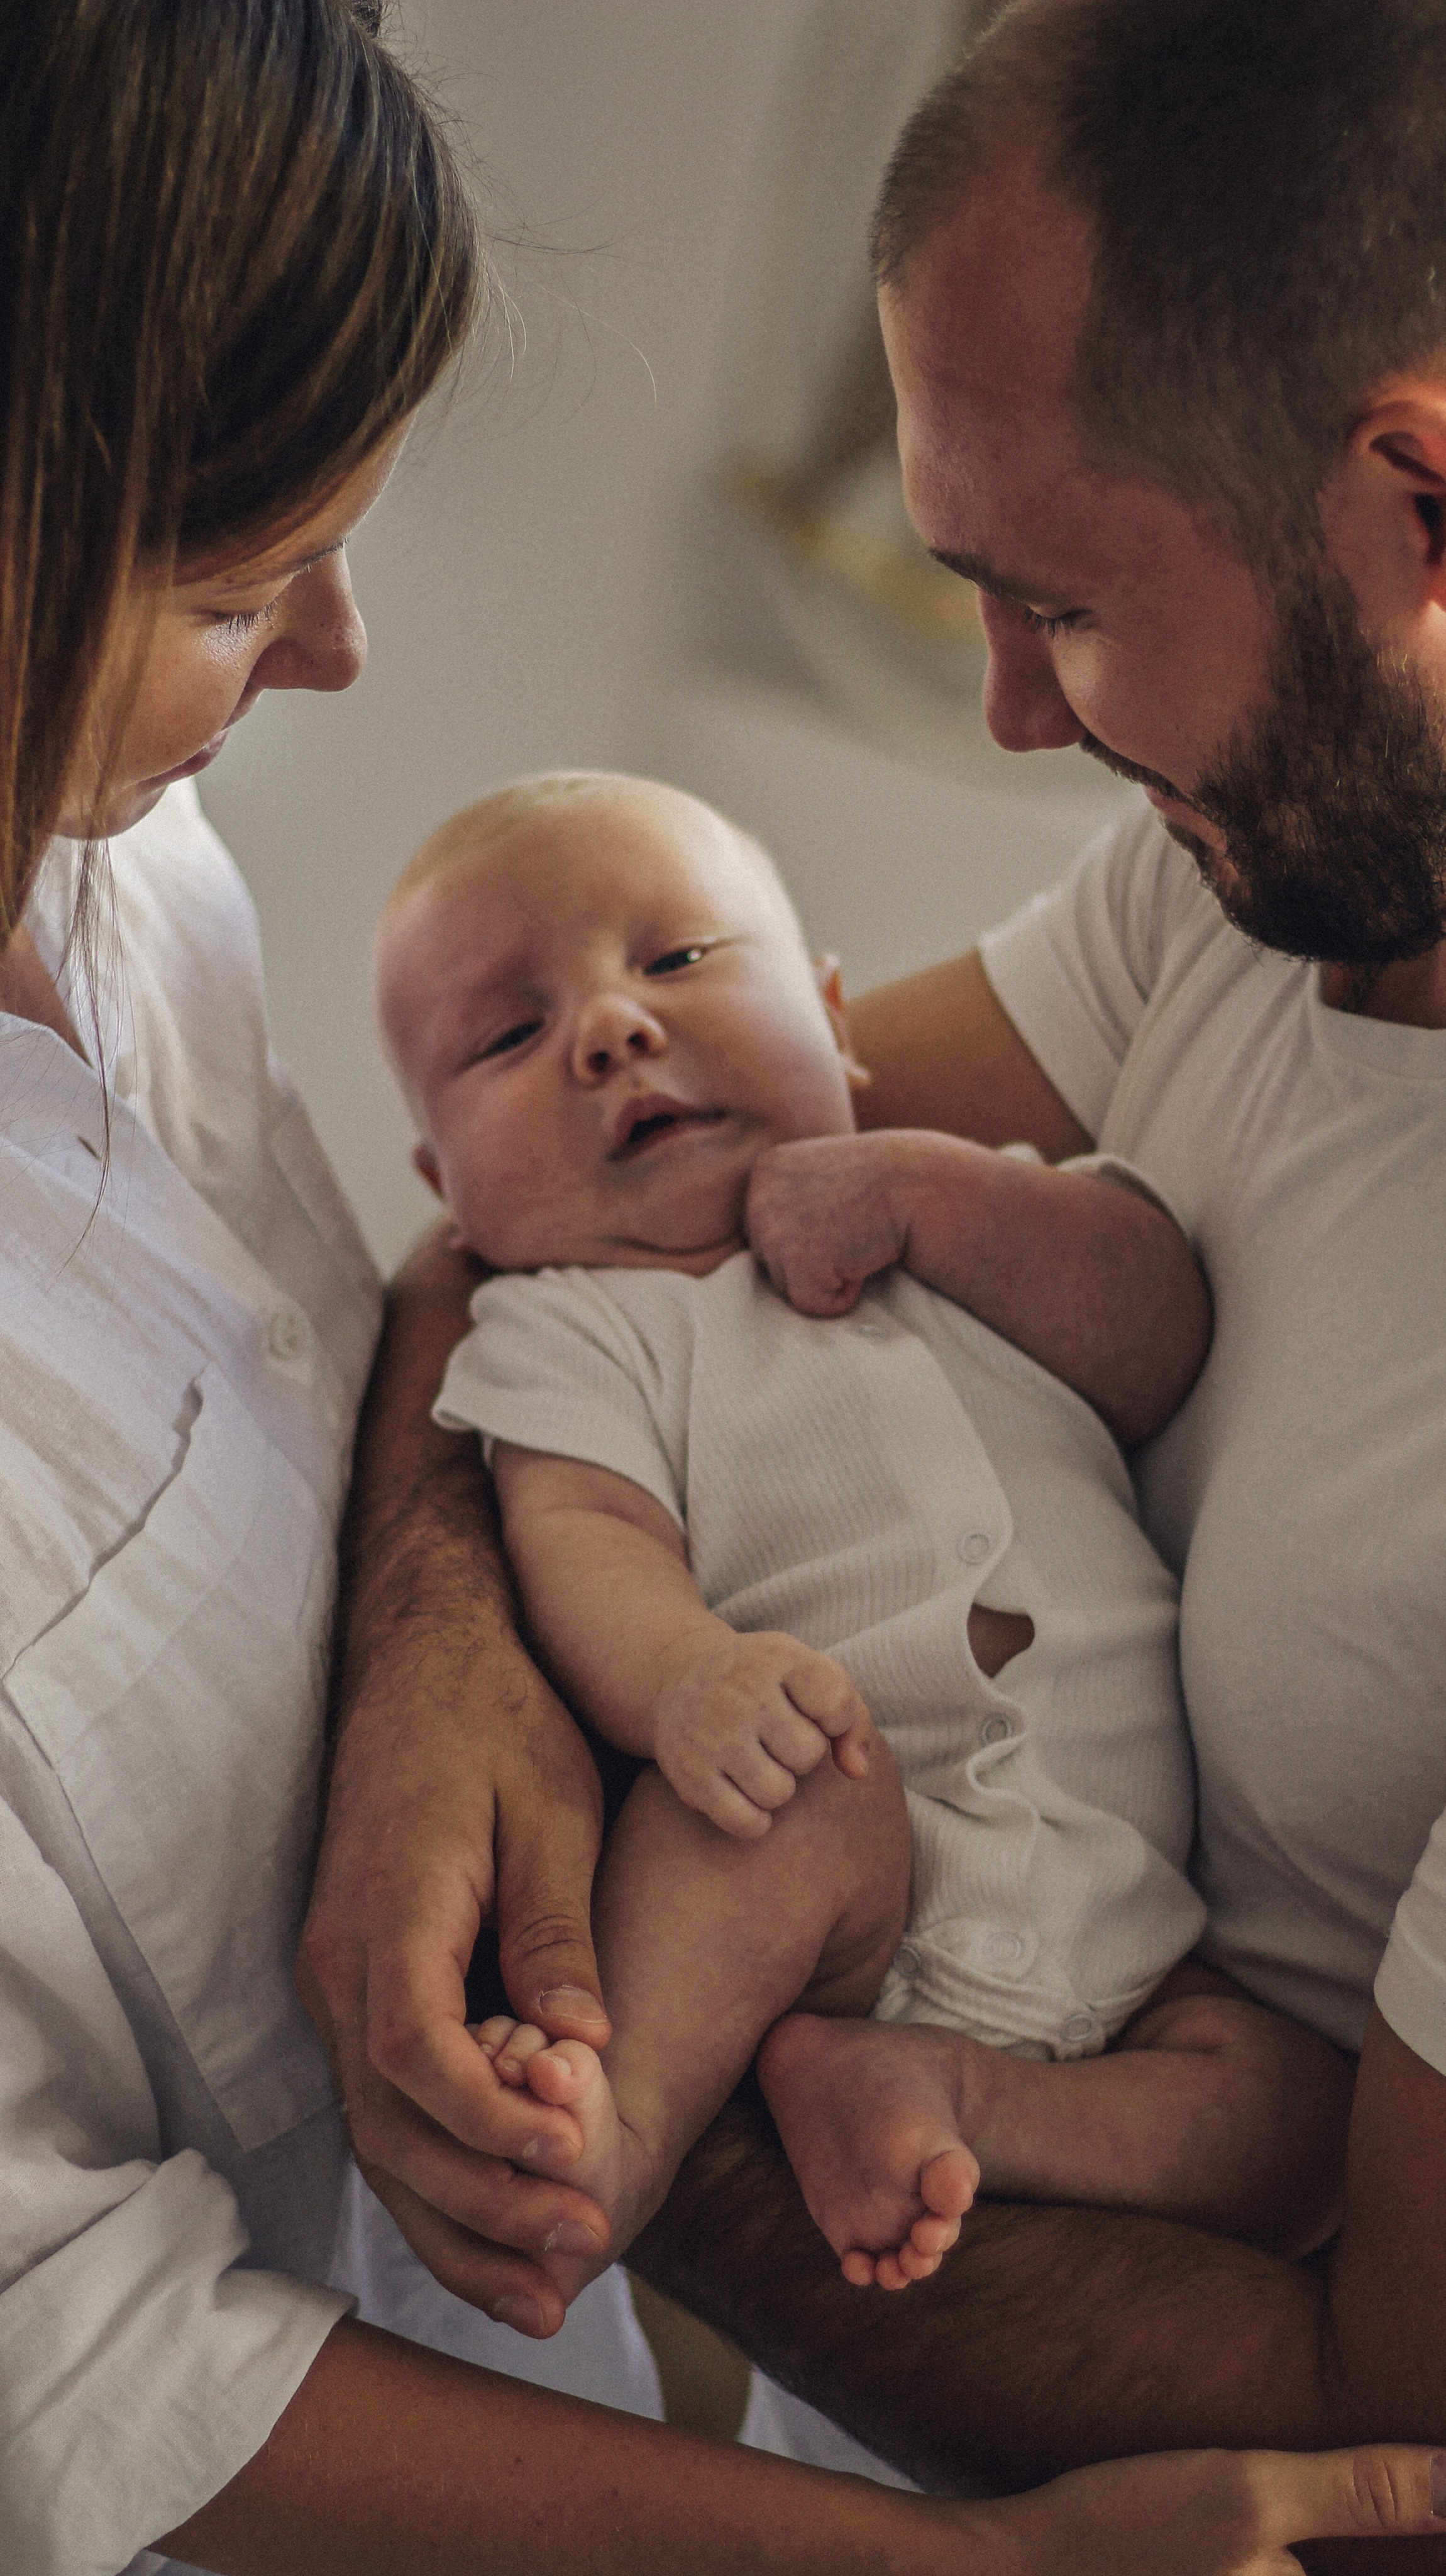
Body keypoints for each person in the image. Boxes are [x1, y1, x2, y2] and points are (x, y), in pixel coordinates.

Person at [9, 3, 1428, 2572]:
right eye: (224, 579)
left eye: (1057, 601)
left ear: (1418, 496)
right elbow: (569, 1221)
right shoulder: (1233, 893)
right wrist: (454, 1679)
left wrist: (605, 2112)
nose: (1007, 715)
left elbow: (1378, 2423)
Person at [372, 765, 1356, 2308]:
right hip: (837, 1887)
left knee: (1302, 2124)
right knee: (782, 1801)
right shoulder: (571, 1327)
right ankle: (619, 2137)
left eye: (677, 957)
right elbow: (583, 1532)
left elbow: (1158, 1339)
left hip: (1132, 1925)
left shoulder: (968, 1212)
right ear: (446, 1186)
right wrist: (687, 1675)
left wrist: (932, 1197)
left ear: (835, 1016)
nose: (611, 1028)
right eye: (507, 1034)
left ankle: (955, 2099)